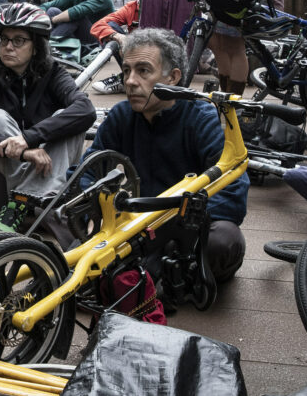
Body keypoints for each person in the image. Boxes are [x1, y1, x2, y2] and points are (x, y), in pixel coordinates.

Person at [81, 28, 248, 283]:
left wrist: (169, 227)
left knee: (224, 240)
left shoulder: (200, 119)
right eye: (126, 70)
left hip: (180, 229)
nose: (130, 81)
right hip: (130, 226)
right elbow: (86, 172)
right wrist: (93, 216)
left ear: (173, 77)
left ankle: (152, 276)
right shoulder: (122, 116)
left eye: (143, 71)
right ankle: (153, 278)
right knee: (62, 212)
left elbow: (233, 192)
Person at [0, 3, 96, 232]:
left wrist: (30, 138)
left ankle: (23, 204)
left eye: (18, 40)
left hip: (42, 184)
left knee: (69, 117)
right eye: (4, 40)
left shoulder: (53, 73)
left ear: (36, 47)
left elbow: (86, 110)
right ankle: (33, 199)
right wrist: (24, 150)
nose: (8, 47)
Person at [89, 0, 141, 94]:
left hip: (159, 62)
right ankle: (128, 77)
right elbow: (96, 26)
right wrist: (118, 37)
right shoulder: (133, 7)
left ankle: (124, 79)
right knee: (111, 26)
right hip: (136, 58)